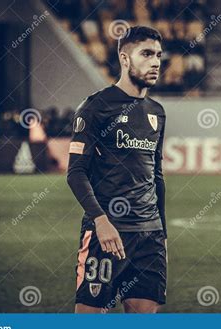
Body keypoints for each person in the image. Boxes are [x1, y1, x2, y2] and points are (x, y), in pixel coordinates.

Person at [67, 26, 167, 313]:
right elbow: (75, 173)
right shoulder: (95, 107)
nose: (156, 61)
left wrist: (164, 235)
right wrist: (100, 220)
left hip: (150, 238)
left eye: (159, 55)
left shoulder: (157, 112)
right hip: (106, 233)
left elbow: (156, 176)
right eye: (147, 53)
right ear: (125, 58)